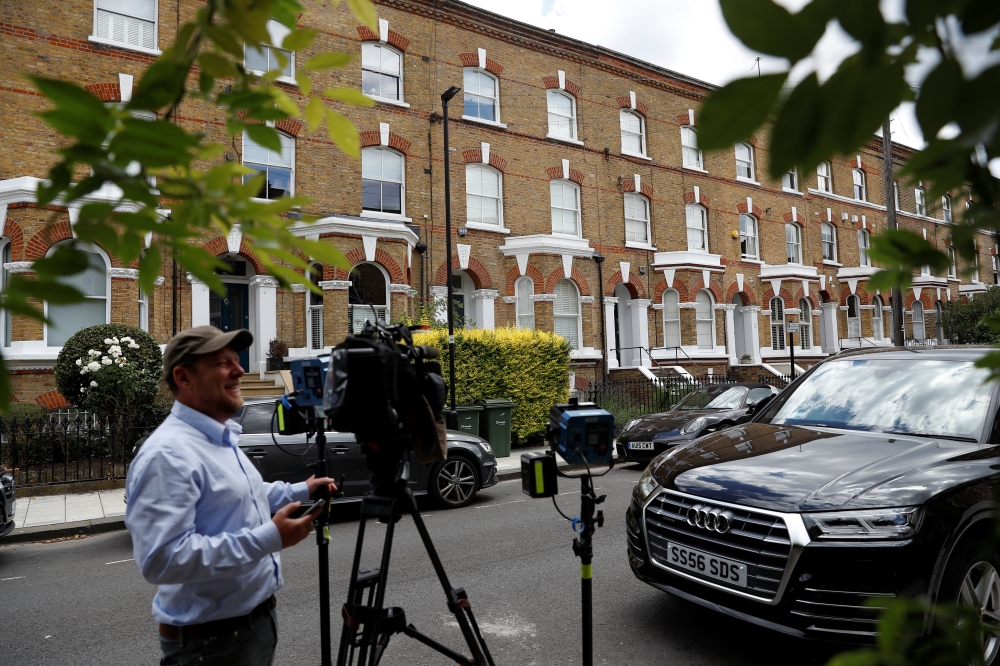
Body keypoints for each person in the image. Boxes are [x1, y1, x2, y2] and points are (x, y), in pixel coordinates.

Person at [125, 326, 336, 666]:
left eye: (236, 361)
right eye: (224, 364)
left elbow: (239, 495)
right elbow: (162, 560)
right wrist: (270, 537)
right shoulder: (168, 454)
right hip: (211, 645)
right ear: (184, 376)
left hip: (249, 627)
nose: (240, 371)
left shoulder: (218, 437)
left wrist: (300, 490)